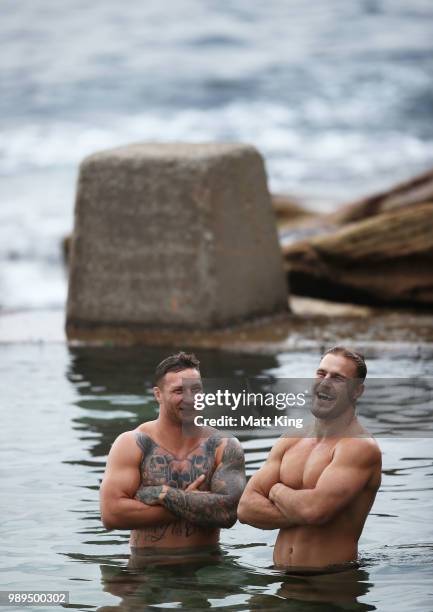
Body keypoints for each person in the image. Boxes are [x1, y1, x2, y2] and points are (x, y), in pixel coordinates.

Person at [237, 346, 382, 570]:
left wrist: (276, 491)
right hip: (281, 579)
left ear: (356, 391)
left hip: (331, 584)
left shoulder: (358, 446)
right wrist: (304, 510)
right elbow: (246, 508)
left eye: (338, 378)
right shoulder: (292, 438)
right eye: (321, 373)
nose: (325, 383)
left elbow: (314, 511)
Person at [99, 351, 246, 554]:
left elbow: (229, 512)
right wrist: (192, 503)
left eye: (196, 389)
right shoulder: (132, 443)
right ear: (158, 394)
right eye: (178, 391)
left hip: (206, 567)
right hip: (147, 569)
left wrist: (165, 495)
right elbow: (111, 515)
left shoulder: (224, 445)